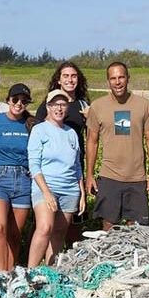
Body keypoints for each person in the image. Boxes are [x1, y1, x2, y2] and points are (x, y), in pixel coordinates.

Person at [86, 62, 149, 229]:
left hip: (136, 177)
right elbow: (92, 141)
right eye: (113, 78)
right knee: (108, 227)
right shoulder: (98, 106)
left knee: (136, 230)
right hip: (109, 176)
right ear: (108, 81)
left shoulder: (144, 105)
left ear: (128, 78)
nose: (117, 82)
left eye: (121, 77)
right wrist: (89, 175)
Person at [27, 89, 85, 267]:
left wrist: (82, 193)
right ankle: (30, 272)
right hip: (46, 187)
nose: (59, 108)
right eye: (55, 104)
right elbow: (34, 165)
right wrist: (46, 193)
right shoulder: (39, 130)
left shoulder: (71, 133)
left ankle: (50, 271)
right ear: (48, 107)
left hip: (70, 190)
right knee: (45, 228)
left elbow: (76, 166)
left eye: (63, 104)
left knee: (59, 233)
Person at [35, 61, 90, 243]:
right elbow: (39, 134)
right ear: (58, 80)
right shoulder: (48, 104)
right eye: (65, 76)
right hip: (50, 173)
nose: (70, 79)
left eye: (73, 76)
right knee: (47, 225)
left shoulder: (84, 104)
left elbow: (92, 138)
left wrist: (91, 119)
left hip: (74, 168)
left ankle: (68, 260)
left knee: (73, 224)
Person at [0, 83, 34, 271]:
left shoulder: (31, 124)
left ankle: (12, 272)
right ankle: (1, 274)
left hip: (23, 179)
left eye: (24, 101)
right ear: (8, 100)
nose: (19, 104)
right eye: (15, 99)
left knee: (14, 234)